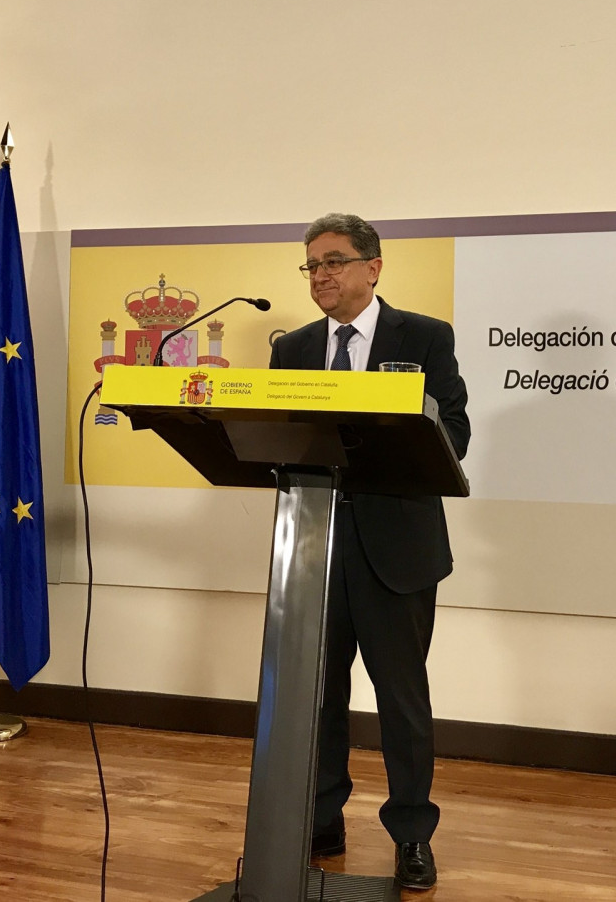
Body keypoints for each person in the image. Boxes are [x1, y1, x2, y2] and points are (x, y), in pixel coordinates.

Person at [268, 213, 470, 890]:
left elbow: (455, 431)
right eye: (312, 265)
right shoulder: (293, 349)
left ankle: (412, 833)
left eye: (333, 261)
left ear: (372, 267)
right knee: (319, 694)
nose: (320, 275)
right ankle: (322, 818)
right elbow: (277, 437)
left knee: (401, 700)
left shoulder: (426, 337)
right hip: (315, 544)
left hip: (397, 547)